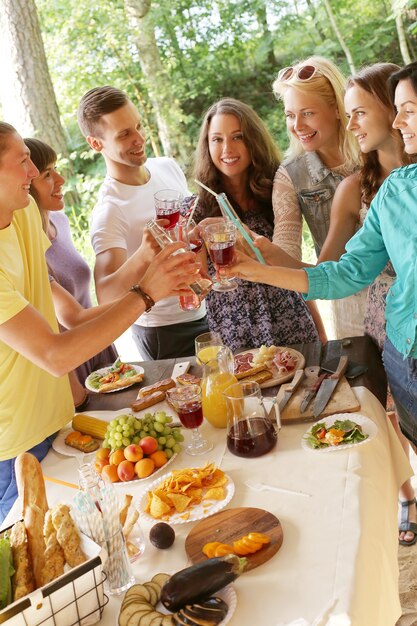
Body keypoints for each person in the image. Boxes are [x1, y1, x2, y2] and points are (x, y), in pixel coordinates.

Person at [0, 122, 200, 522]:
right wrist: (146, 293)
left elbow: (52, 316)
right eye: (23, 162)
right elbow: (55, 354)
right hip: (14, 446)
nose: (33, 173)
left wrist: (147, 271)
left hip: (59, 421)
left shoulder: (19, 216)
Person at [223, 61, 417, 459]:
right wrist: (256, 266)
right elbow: (343, 273)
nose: (399, 121)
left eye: (408, 111)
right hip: (403, 350)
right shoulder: (390, 191)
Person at [77, 86, 209, 360]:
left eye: (138, 126)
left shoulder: (167, 167)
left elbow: (184, 238)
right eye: (124, 134)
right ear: (96, 144)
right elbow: (106, 294)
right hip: (164, 331)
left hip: (204, 310)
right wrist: (142, 255)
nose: (139, 139)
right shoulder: (109, 210)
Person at [184, 97, 319, 351]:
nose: (227, 149)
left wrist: (321, 333)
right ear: (207, 145)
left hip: (294, 327)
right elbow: (197, 287)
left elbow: (293, 270)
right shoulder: (195, 211)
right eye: (217, 139)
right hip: (235, 339)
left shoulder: (278, 195)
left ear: (253, 140)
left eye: (237, 137)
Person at [271, 56, 365, 338]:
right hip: (350, 306)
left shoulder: (374, 153)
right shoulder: (290, 176)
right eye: (290, 115)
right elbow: (286, 256)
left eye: (308, 113)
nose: (297, 125)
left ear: (337, 109)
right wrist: (264, 255)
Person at [25, 137, 118, 409]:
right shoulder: (29, 248)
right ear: (27, 185)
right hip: (72, 366)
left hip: (98, 348)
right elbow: (72, 318)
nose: (61, 179)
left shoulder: (59, 221)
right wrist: (147, 297)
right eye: (47, 175)